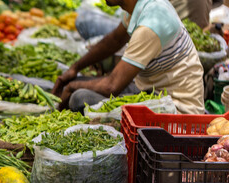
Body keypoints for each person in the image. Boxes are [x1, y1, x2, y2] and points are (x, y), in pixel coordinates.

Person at [53, 0, 205, 114]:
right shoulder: (138, 7)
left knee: (79, 98)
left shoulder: (151, 24)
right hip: (150, 92)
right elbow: (114, 40)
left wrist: (73, 86)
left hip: (176, 110)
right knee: (78, 85)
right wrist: (75, 68)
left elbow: (111, 86)